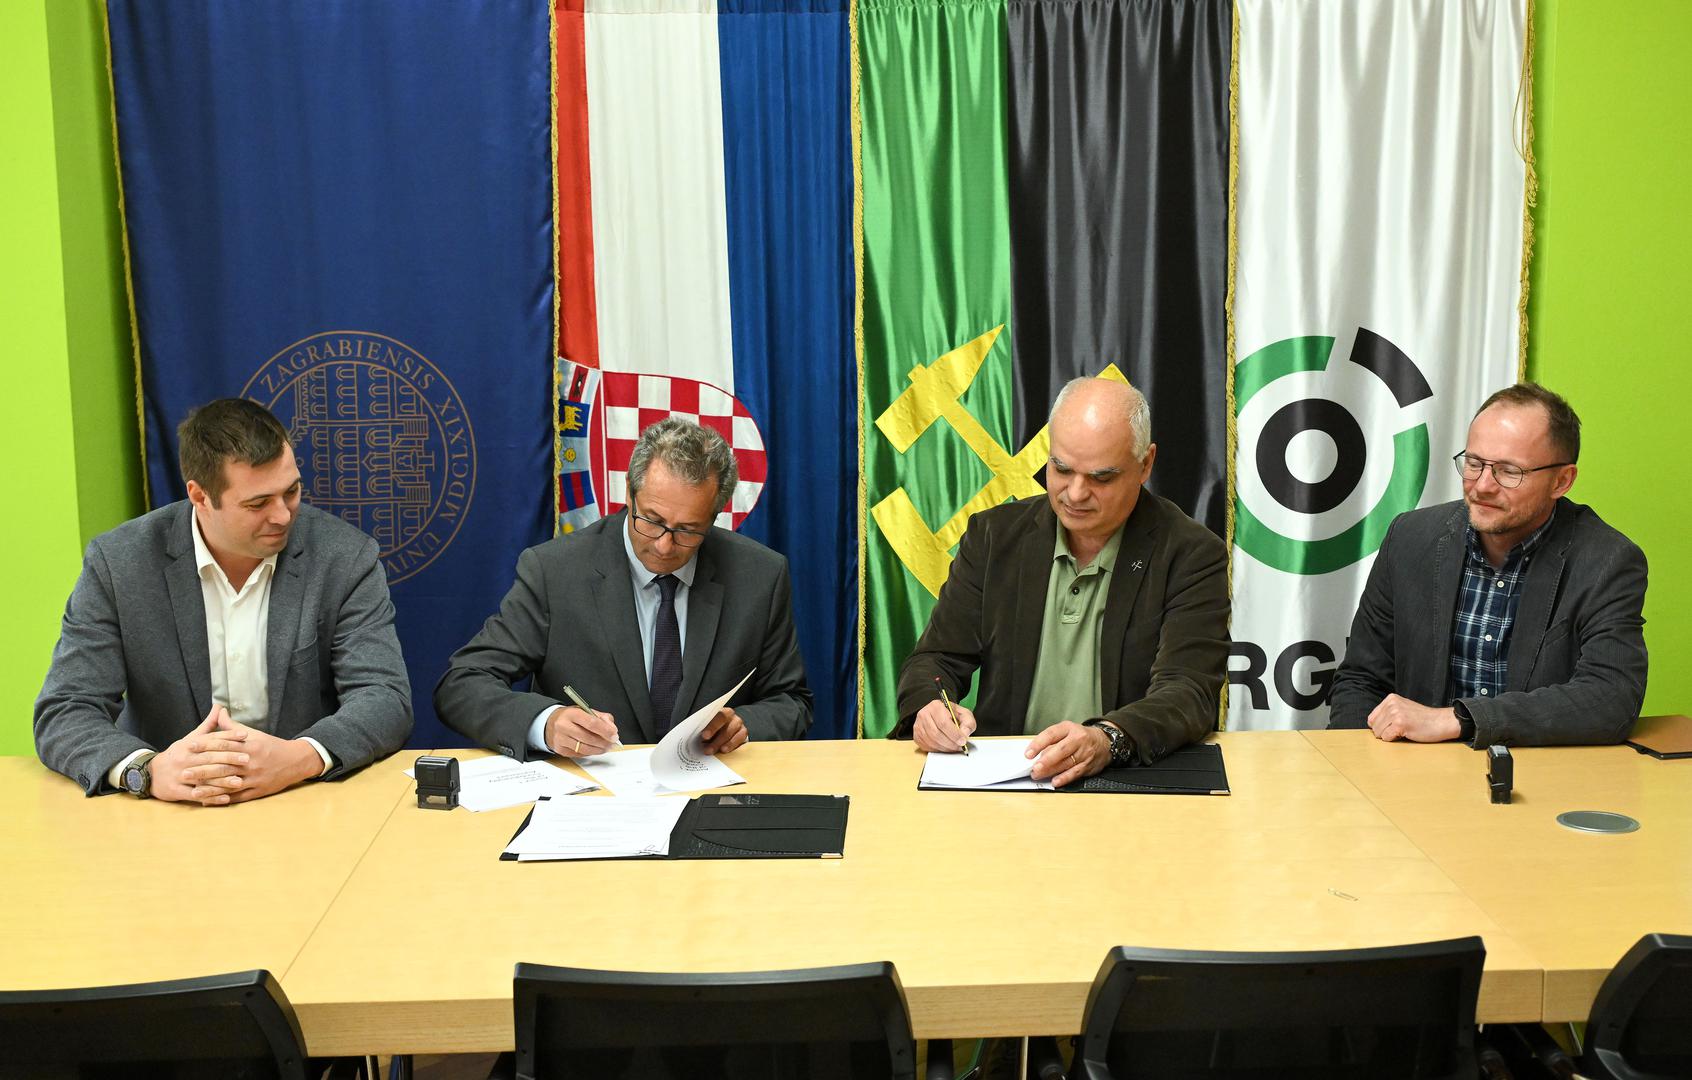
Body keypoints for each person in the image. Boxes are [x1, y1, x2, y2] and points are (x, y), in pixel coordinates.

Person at [34, 398, 413, 802]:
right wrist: (146, 771)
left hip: (301, 799)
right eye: (257, 503)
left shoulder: (343, 557)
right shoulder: (120, 563)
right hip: (166, 810)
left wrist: (299, 758)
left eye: (291, 491)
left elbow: (383, 696)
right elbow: (66, 709)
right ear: (199, 496)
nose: (283, 515)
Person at [894, 376, 1230, 788]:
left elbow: (1188, 691)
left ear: (1146, 464)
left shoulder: (1192, 554)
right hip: (1004, 783)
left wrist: (1108, 739)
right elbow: (935, 660)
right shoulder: (993, 537)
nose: (1075, 493)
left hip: (1126, 783)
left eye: (1101, 478)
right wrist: (930, 707)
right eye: (1061, 469)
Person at [436, 417, 811, 758]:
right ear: (629, 495)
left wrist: (744, 726)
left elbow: (791, 701)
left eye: (688, 530)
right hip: (591, 793)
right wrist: (545, 724)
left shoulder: (759, 576)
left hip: (711, 788)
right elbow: (462, 684)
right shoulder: (554, 572)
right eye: (652, 520)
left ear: (714, 517)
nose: (664, 545)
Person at [1328, 382, 1648, 745]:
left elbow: (1611, 697)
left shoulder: (1606, 560)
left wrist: (1461, 720)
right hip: (1414, 768)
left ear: (1562, 481)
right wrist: (1356, 765)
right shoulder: (1409, 539)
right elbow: (1361, 681)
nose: (1482, 486)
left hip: (1536, 769)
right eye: (1474, 463)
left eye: (1509, 472)